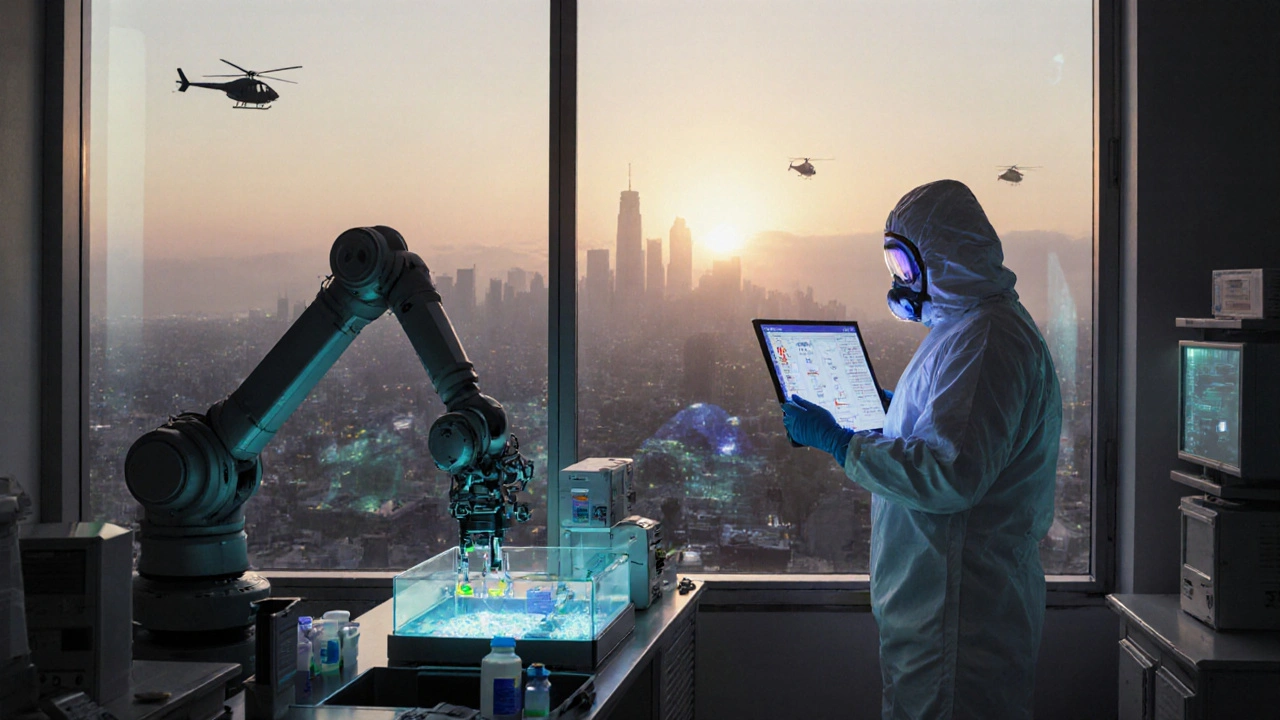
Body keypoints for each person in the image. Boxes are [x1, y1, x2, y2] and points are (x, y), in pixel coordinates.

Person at [781, 179, 1062, 720]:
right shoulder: (967, 330)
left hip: (958, 621)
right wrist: (892, 411)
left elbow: (950, 473)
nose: (898, 281)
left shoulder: (986, 340)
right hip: (941, 616)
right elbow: (949, 429)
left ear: (946, 258)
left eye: (906, 266)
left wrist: (841, 442)